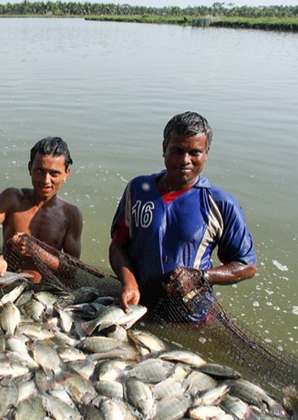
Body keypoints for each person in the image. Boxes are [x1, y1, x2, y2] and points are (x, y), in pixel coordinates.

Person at [109, 111, 256, 323]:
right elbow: (117, 246)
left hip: (190, 315)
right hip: (135, 305)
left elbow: (247, 266)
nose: (185, 160)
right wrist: (129, 283)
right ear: (163, 148)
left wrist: (202, 277)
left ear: (206, 153)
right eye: (176, 151)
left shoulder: (221, 204)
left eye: (194, 152)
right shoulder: (138, 189)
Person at [0, 136, 83, 282]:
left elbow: (71, 271)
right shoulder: (12, 198)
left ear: (66, 173)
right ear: (30, 168)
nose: (45, 180)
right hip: (6, 281)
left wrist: (36, 251)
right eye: (39, 171)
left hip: (43, 289)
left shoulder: (71, 214)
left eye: (54, 173)